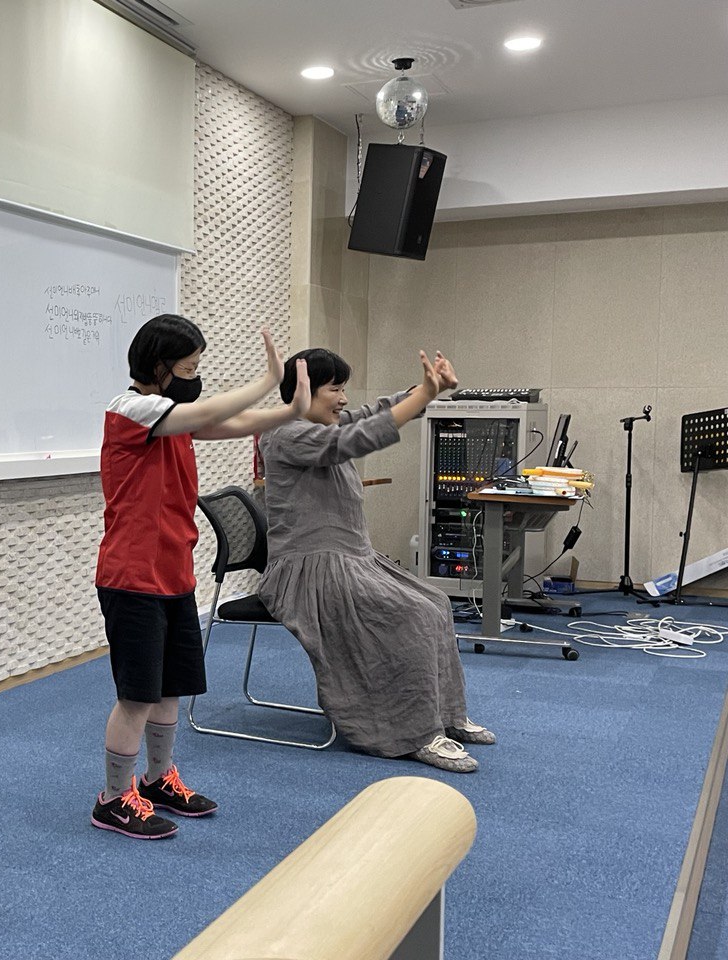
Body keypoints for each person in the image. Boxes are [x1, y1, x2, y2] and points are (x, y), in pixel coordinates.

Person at [92, 314, 310, 838]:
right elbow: (212, 410)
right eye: (188, 367)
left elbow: (231, 423)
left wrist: (290, 409)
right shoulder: (131, 410)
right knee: (137, 694)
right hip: (131, 576)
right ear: (158, 366)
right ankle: (113, 798)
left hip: (173, 574)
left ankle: (157, 778)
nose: (195, 376)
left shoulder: (174, 419)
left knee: (171, 688)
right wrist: (265, 382)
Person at [256, 347, 494, 774]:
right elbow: (350, 439)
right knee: (411, 615)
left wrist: (424, 391)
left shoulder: (318, 422)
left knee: (435, 604)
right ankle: (416, 732)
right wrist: (423, 396)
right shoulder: (284, 434)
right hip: (307, 570)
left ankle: (447, 715)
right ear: (305, 390)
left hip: (352, 560)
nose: (344, 398)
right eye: (336, 388)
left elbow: (370, 415)